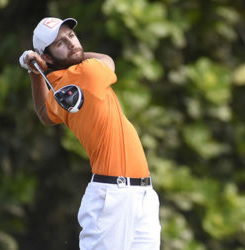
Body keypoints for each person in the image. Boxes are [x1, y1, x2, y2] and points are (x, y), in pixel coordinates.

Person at [19, 17, 161, 250]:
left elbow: (45, 114)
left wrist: (36, 72)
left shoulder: (57, 86)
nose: (72, 43)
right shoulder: (89, 72)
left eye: (71, 36)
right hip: (113, 196)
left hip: (142, 194)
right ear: (47, 57)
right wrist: (41, 68)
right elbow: (107, 60)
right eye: (60, 44)